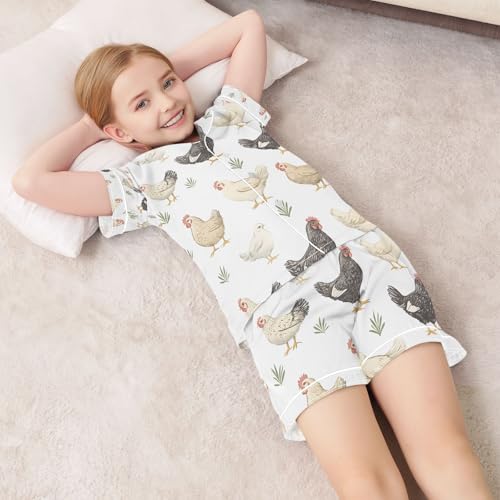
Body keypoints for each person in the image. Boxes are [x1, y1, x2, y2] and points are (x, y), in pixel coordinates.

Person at [11, 8, 493, 499]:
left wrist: (153, 72)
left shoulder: (232, 118)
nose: (168, 102)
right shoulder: (141, 184)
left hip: (371, 270)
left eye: (169, 83)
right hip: (285, 319)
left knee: (444, 449)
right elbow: (31, 181)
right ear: (118, 133)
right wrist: (93, 125)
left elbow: (247, 26)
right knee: (365, 480)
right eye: (142, 103)